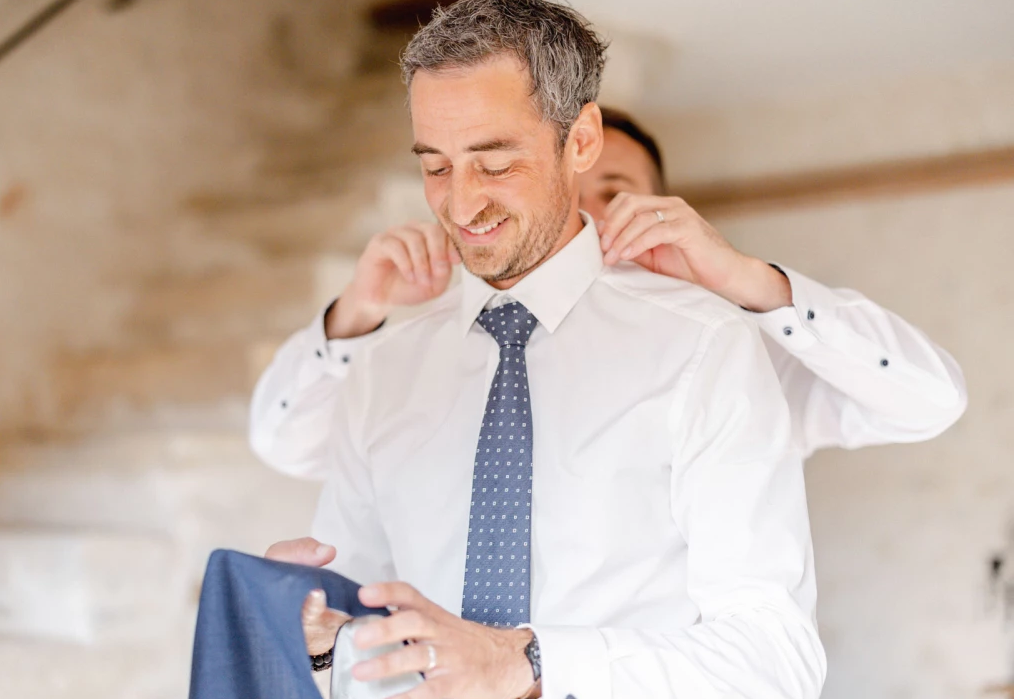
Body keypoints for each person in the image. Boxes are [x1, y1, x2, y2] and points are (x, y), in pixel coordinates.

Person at [264, 0, 824, 699]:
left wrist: (526, 664)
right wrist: (315, 644)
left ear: (581, 140)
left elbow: (773, 671)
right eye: (435, 166)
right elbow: (364, 645)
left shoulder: (703, 350)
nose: (461, 204)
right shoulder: (383, 373)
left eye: (495, 163)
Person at [249, 114, 967, 482]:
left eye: (613, 191)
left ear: (662, 203)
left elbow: (928, 399)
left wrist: (746, 280)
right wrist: (357, 313)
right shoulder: (441, 352)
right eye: (567, 193)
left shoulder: (735, 351)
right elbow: (288, 446)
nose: (586, 217)